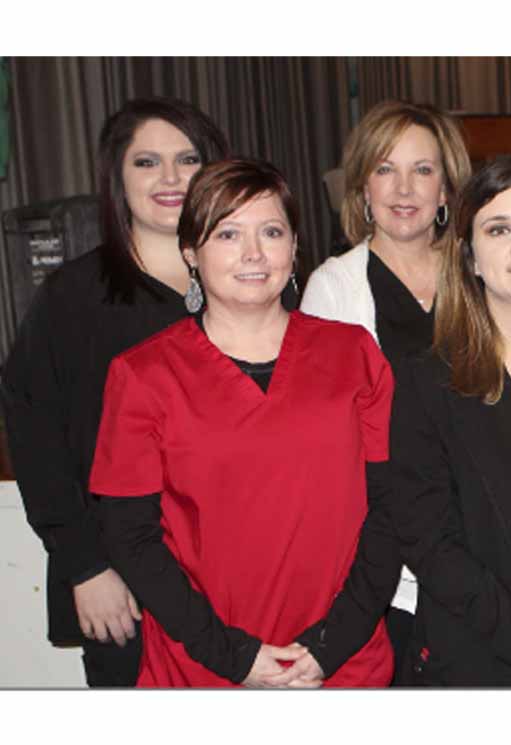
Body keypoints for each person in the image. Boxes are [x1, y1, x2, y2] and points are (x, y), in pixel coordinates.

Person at [279, 156, 511, 687]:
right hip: (481, 660)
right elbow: (428, 538)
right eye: (499, 229)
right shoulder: (422, 382)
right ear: (471, 257)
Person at [89, 159, 395, 687]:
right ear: (191, 251)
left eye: (271, 232)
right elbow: (131, 538)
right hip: (204, 668)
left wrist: (332, 643)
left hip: (344, 662)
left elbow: (392, 507)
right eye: (228, 234)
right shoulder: (142, 375)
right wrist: (232, 655)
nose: (253, 253)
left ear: (294, 247)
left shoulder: (354, 354)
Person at [0, 97, 228, 686]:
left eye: (188, 159)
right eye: (147, 162)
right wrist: (84, 566)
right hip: (121, 585)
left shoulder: (250, 280)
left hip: (238, 577)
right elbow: (36, 436)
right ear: (117, 178)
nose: (171, 177)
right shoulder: (74, 296)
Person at [299, 100, 471, 681]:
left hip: (486, 550)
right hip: (390, 565)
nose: (404, 188)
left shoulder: (483, 272)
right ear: (362, 187)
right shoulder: (332, 289)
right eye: (385, 169)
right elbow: (325, 447)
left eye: (422, 170)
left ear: (445, 188)